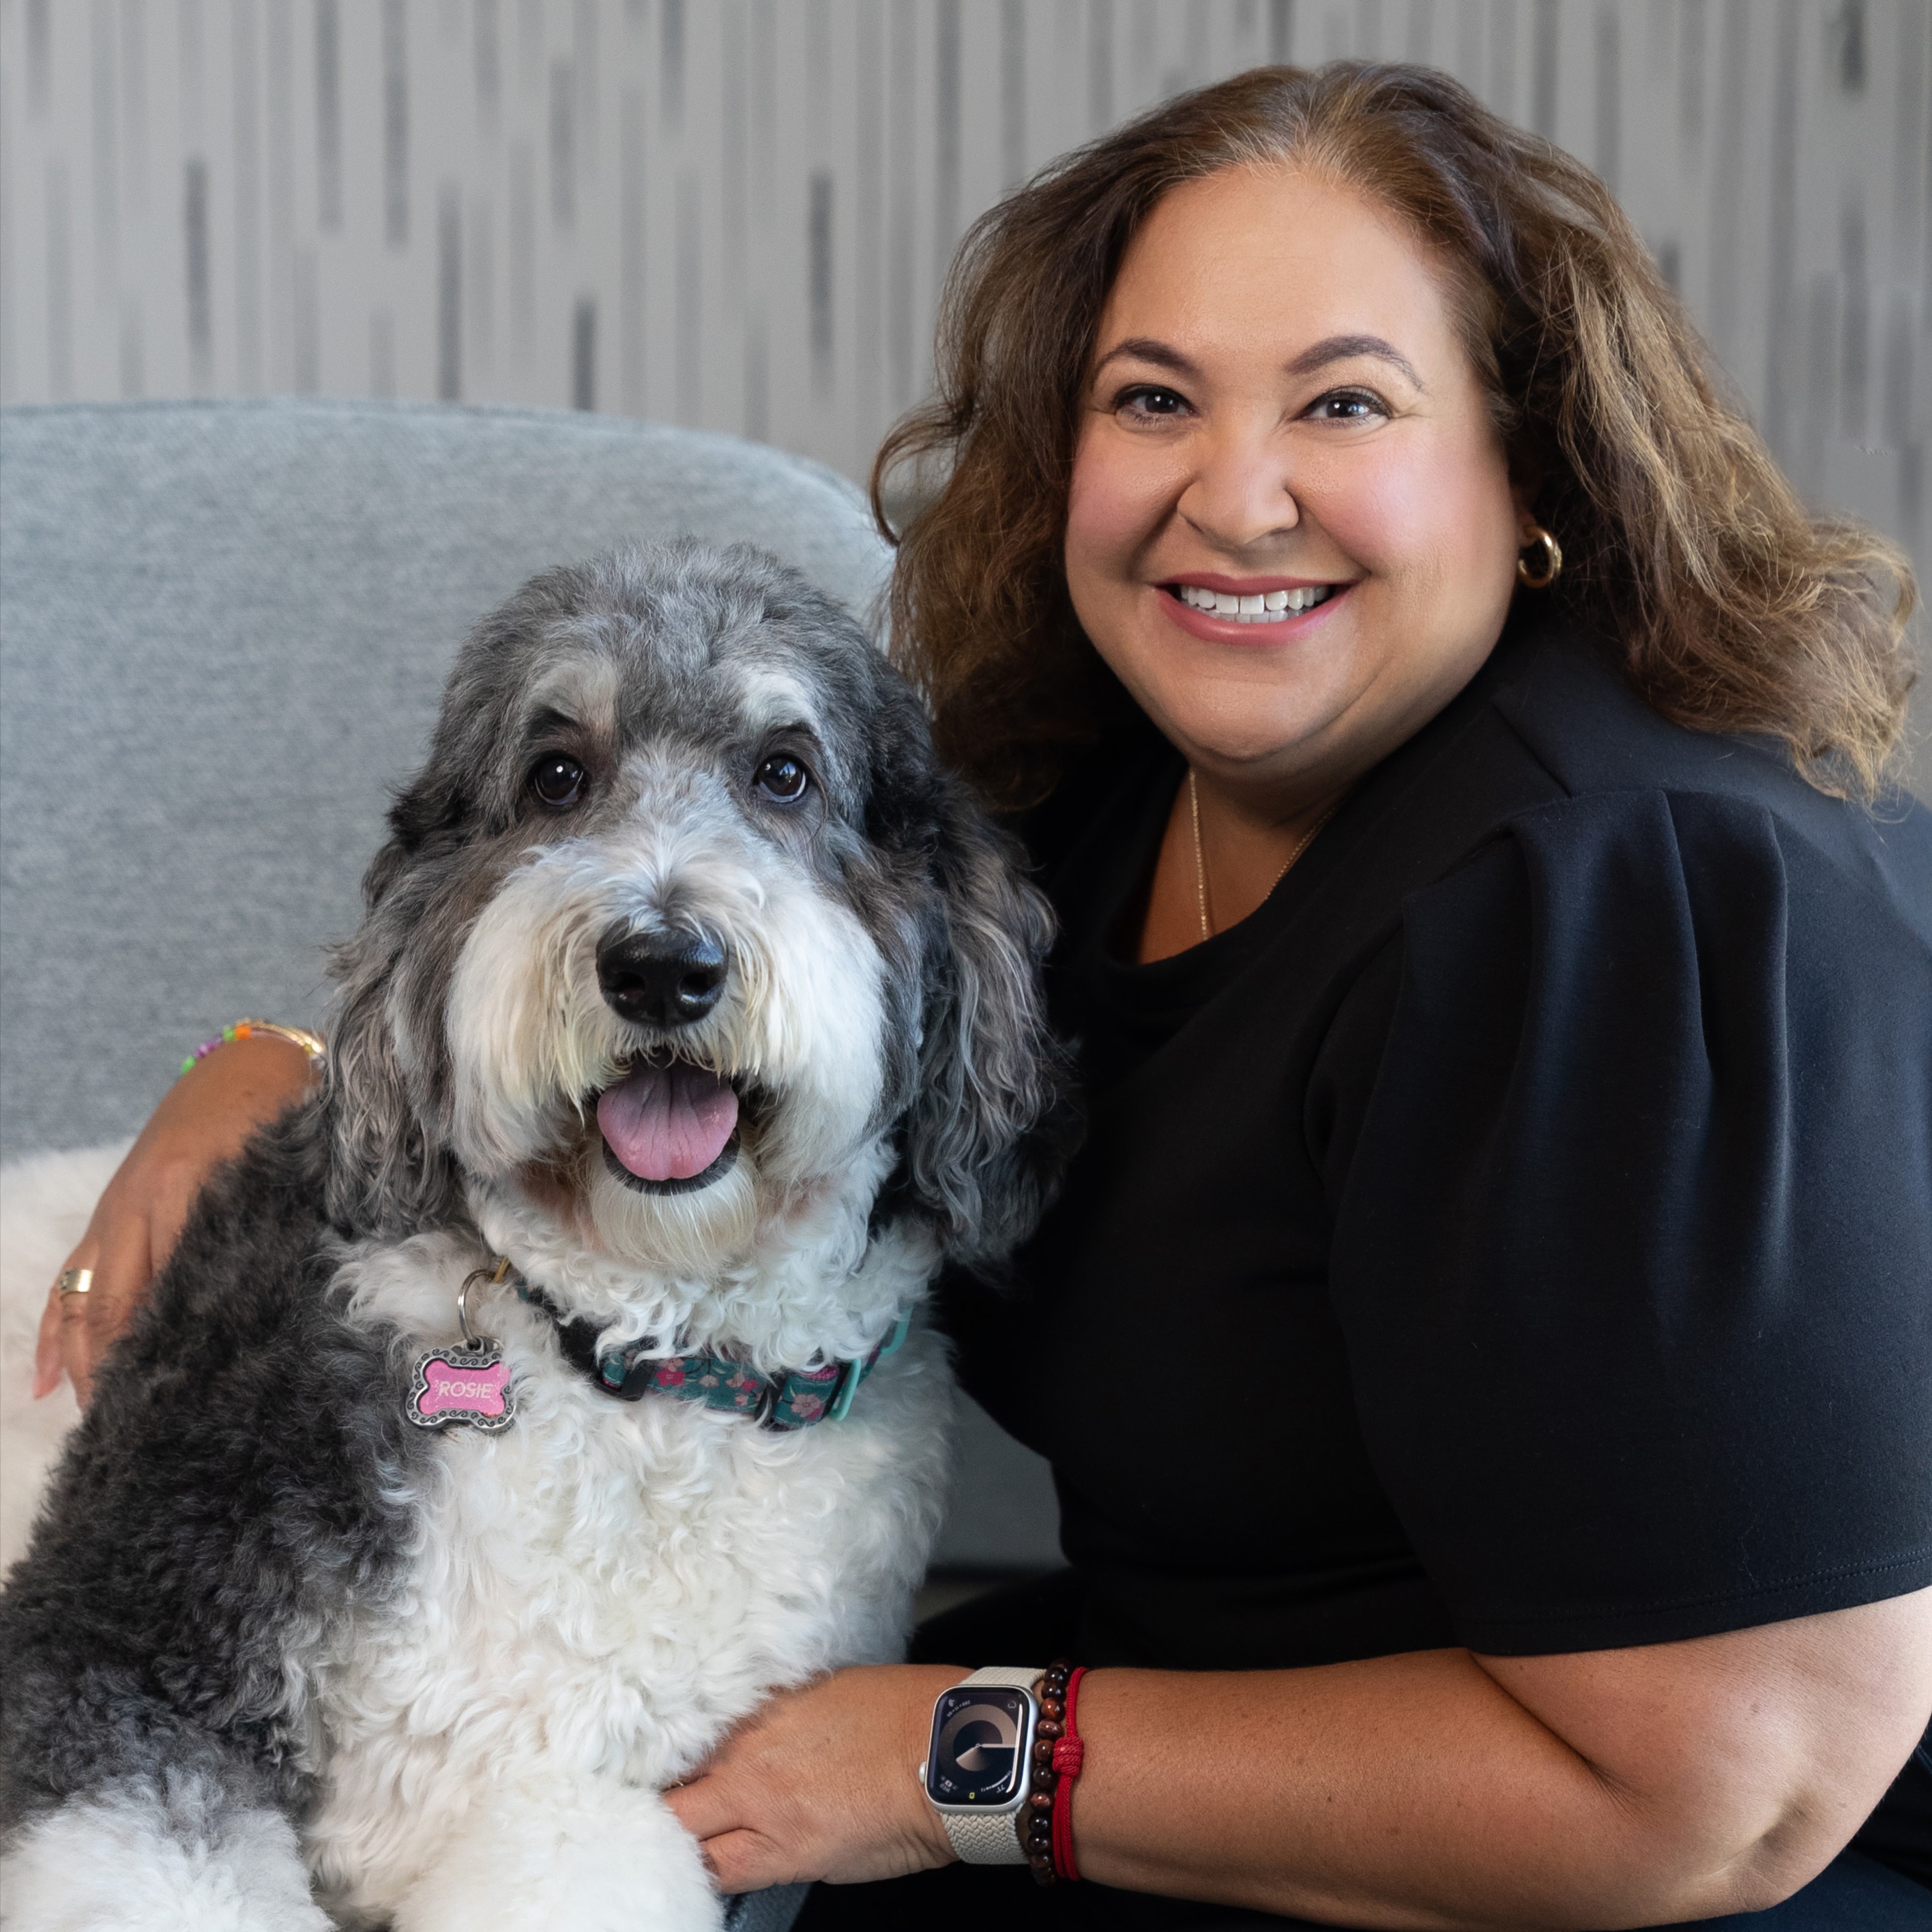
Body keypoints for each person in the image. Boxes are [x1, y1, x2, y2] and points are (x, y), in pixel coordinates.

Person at [35, 63, 1932, 1932]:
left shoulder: (1641, 885)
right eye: (1154, 399)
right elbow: (641, 958)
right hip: (1173, 1740)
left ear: (1530, 461)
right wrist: (276, 1066)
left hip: (1640, 1878)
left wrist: (949, 1757)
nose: (1236, 494)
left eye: (1344, 401)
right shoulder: (1101, 785)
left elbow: (1727, 1796)